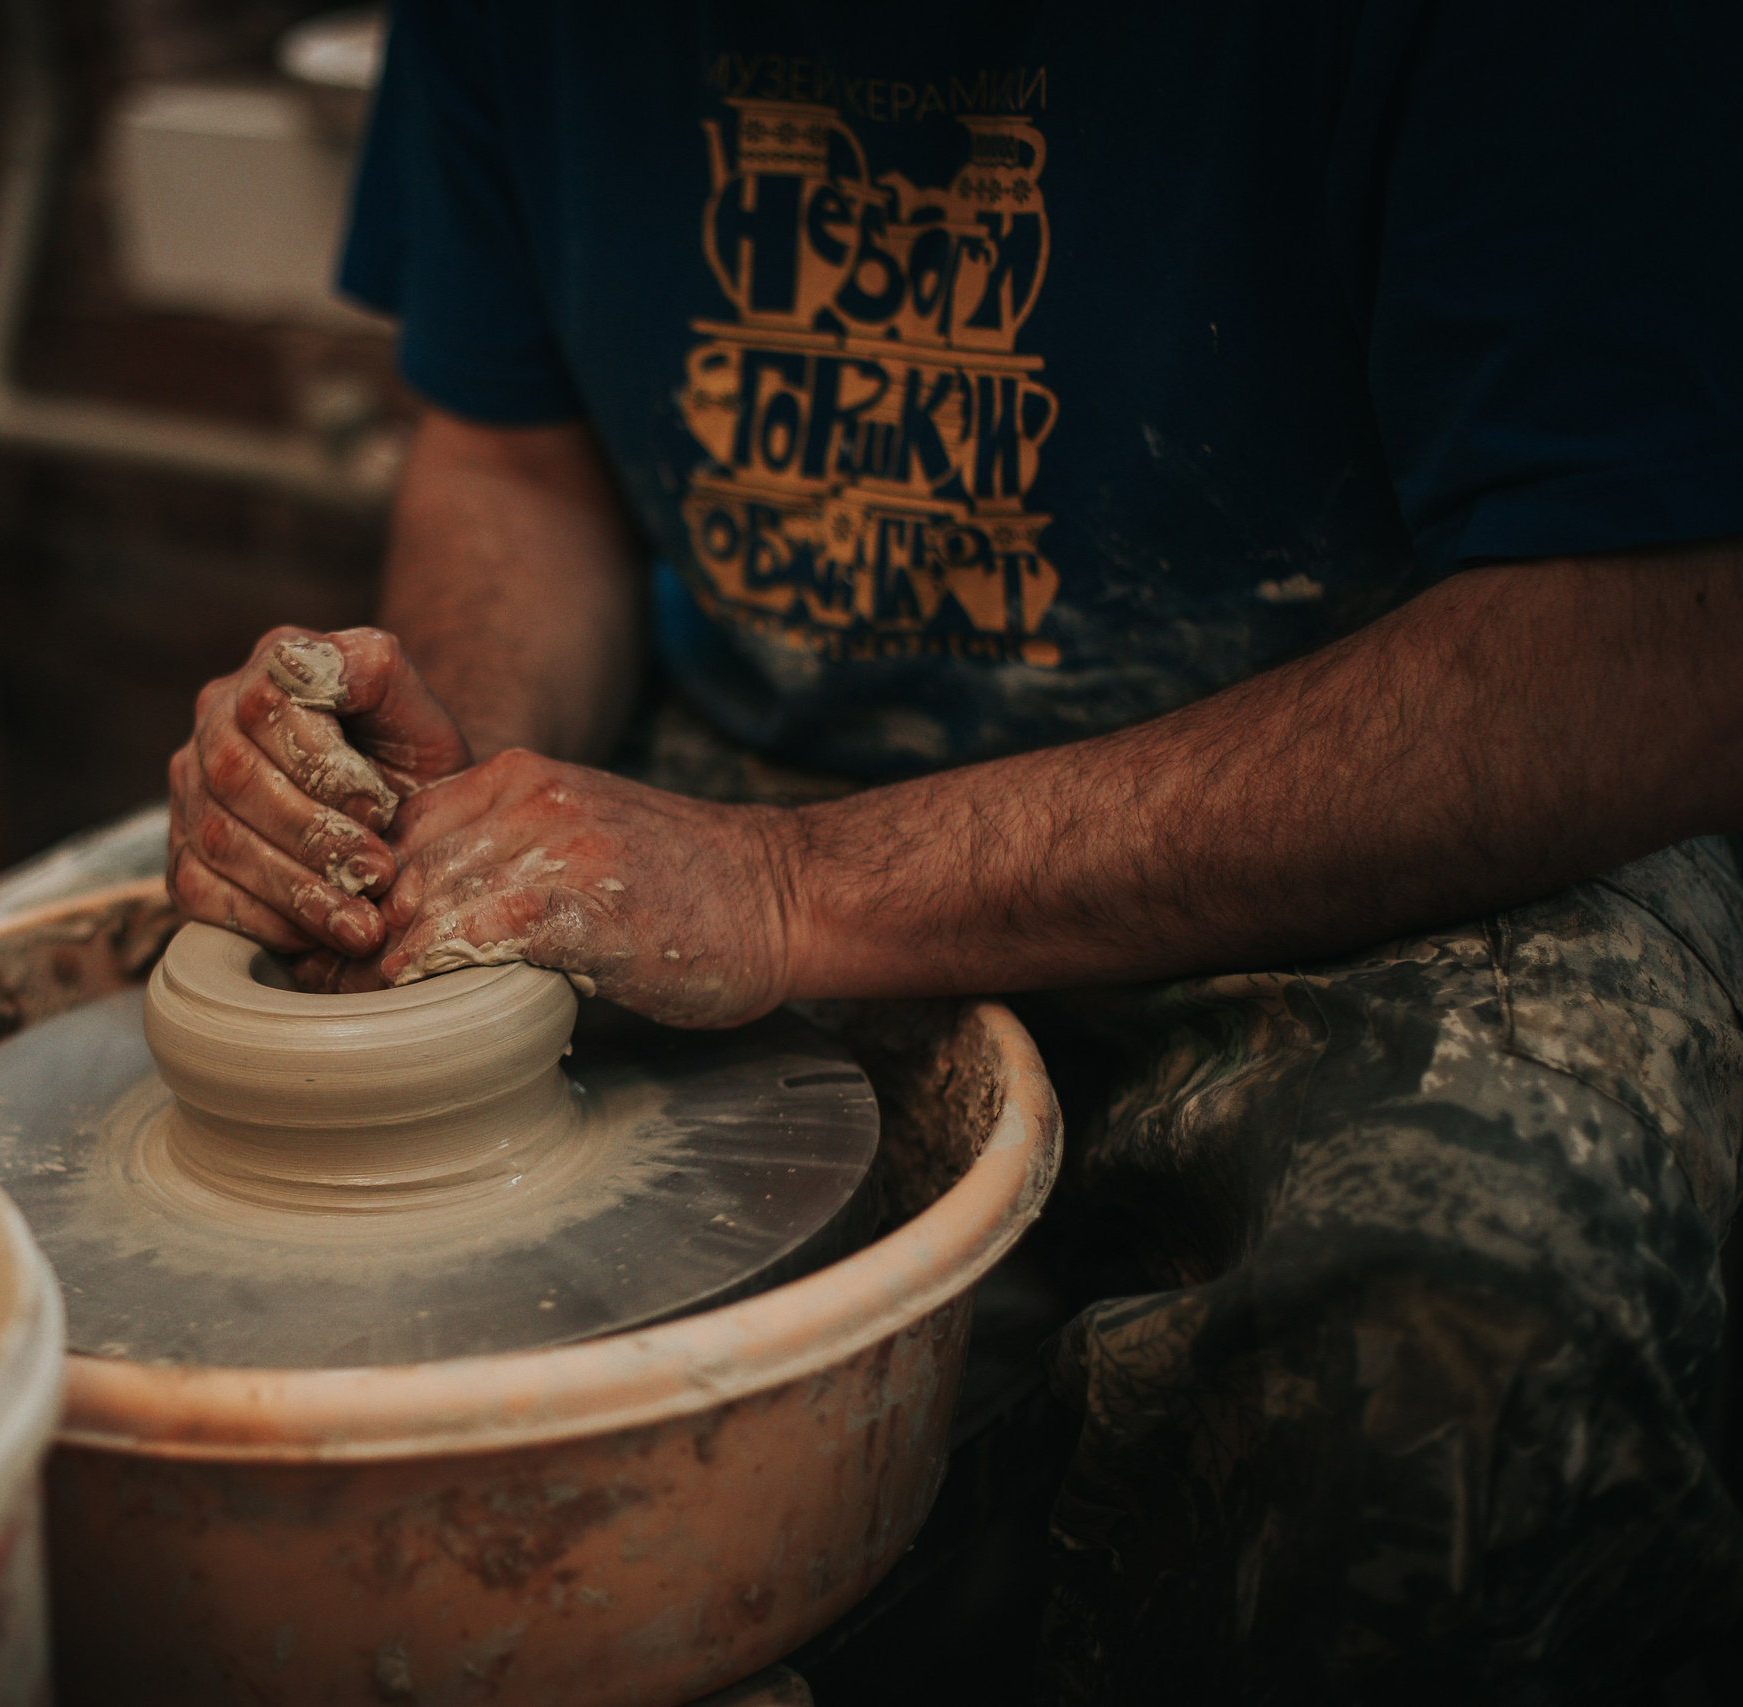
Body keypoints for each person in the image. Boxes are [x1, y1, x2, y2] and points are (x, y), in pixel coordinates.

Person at [165, 2, 1743, 1697]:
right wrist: (419, 784)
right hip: (743, 749)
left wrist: (795, 889)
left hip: (1353, 796)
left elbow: (1652, 636)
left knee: (1456, 1331)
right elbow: (520, 461)